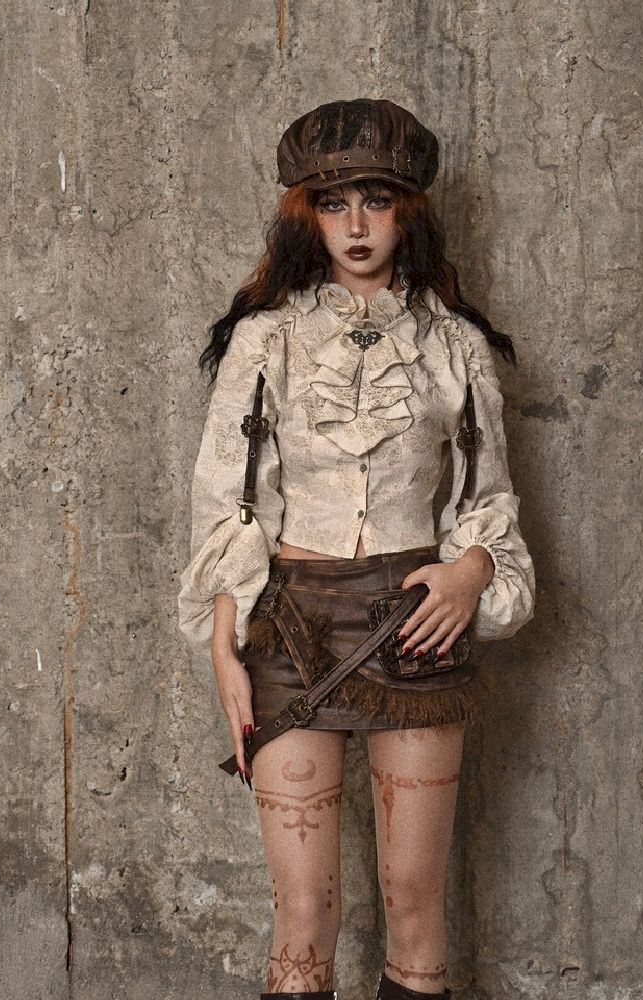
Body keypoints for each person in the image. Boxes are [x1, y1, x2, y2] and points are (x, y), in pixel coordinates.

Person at [178, 99, 536, 1000]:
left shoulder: (453, 345)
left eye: (376, 201)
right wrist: (224, 649)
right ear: (307, 215)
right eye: (334, 204)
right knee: (303, 914)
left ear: (407, 210)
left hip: (417, 628)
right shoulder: (265, 340)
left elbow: (488, 503)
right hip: (289, 628)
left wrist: (471, 573)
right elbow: (229, 505)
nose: (357, 225)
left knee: (415, 904)